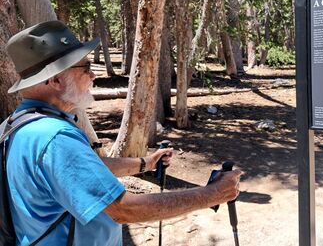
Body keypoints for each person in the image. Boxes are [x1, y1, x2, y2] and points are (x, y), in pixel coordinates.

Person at [4, 20, 241, 245]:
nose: (93, 75)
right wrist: (212, 194)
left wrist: (145, 163)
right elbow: (124, 209)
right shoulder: (54, 138)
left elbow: (83, 171)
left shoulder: (16, 125)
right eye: (86, 67)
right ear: (55, 79)